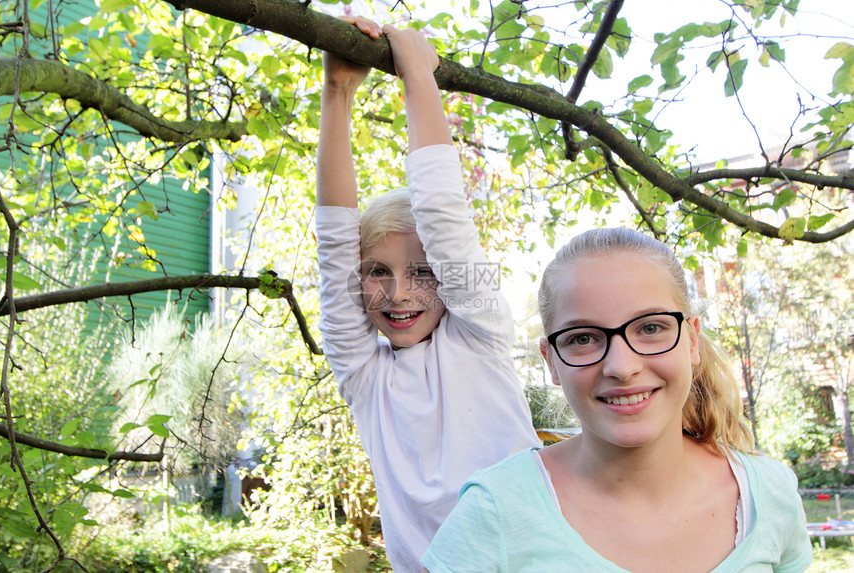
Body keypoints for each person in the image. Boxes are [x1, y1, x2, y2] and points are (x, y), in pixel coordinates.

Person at [422, 228, 813, 573]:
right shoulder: (496, 511)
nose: (622, 367)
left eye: (651, 328)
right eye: (583, 338)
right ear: (551, 361)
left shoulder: (768, 495)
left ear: (692, 339)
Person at [314, 16, 541, 573]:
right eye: (376, 271)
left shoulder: (480, 332)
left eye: (423, 271)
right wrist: (338, 90)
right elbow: (333, 241)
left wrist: (418, 73)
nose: (399, 293)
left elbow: (444, 215)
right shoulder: (366, 377)